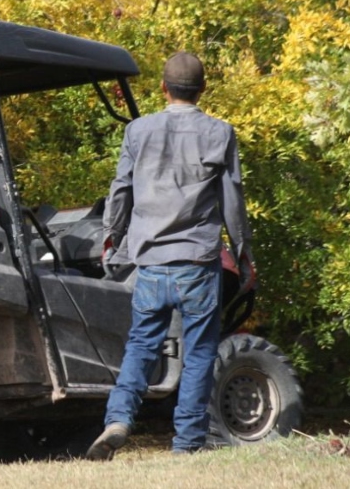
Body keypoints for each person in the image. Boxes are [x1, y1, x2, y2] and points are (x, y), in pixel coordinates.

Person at [86, 52, 256, 460]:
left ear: (163, 88)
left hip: (151, 263)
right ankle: (186, 445)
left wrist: (112, 237)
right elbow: (232, 201)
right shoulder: (220, 133)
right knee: (198, 353)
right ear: (202, 89)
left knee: (141, 345)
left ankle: (119, 418)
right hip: (198, 262)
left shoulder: (138, 131)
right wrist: (244, 253)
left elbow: (121, 189)